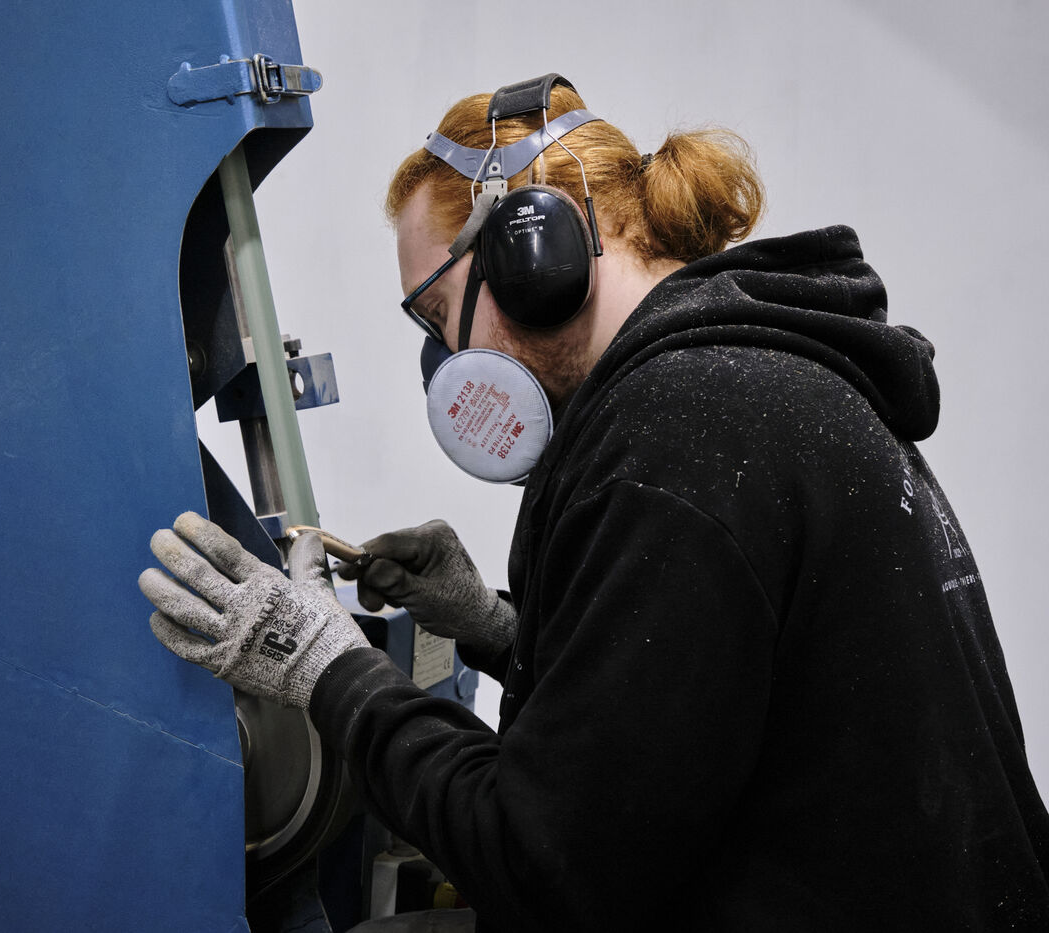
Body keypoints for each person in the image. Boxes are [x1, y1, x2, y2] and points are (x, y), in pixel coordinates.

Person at [139, 75, 1049, 930]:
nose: (445, 365)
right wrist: (497, 626)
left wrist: (326, 666)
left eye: (439, 315)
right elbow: (685, 712)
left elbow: (544, 868)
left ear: (531, 253)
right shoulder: (755, 384)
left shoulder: (678, 435)